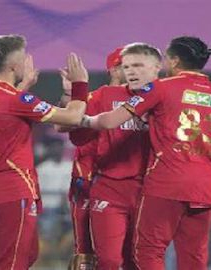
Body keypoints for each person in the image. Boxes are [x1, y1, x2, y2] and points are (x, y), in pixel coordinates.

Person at [78, 36, 211, 269]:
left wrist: (79, 119)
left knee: (148, 250)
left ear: (174, 60)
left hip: (167, 183)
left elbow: (110, 121)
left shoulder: (161, 88)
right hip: (207, 187)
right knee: (194, 255)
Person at [0, 34, 89, 269]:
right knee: (14, 260)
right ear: (13, 65)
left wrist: (23, 86)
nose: (27, 63)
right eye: (24, 58)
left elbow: (3, 109)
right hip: (12, 187)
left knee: (28, 254)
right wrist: (80, 85)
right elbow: (73, 116)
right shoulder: (16, 99)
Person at [60, 47, 127, 269]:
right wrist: (70, 96)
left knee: (130, 252)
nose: (136, 70)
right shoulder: (97, 97)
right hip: (87, 180)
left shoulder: (144, 100)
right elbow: (63, 124)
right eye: (130, 65)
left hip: (127, 185)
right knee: (86, 253)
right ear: (114, 69)